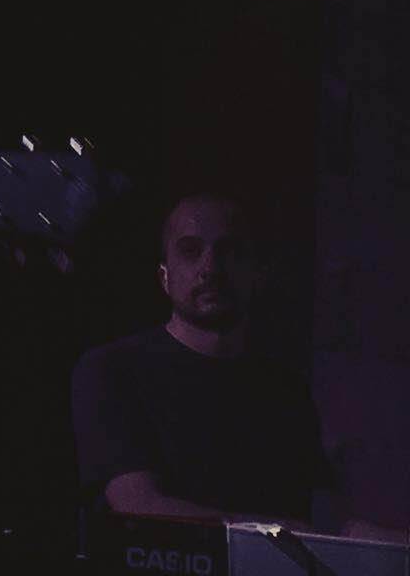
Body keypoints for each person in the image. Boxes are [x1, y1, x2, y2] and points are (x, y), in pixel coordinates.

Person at [71, 192, 331, 527]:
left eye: (229, 251)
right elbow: (137, 504)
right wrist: (280, 533)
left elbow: (325, 515)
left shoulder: (286, 391)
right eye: (191, 250)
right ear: (164, 276)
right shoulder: (112, 369)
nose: (210, 268)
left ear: (257, 273)